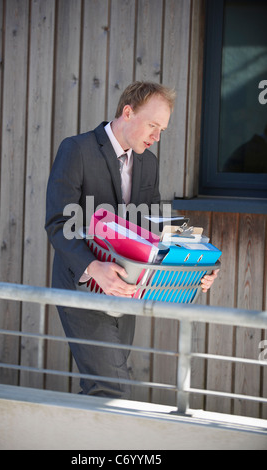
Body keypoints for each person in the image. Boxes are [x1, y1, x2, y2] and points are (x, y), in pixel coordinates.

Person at [45, 81, 218, 399]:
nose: (157, 136)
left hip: (128, 290)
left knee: (104, 390)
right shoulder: (77, 150)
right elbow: (58, 223)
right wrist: (94, 268)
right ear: (128, 112)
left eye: (162, 129)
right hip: (81, 286)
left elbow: (156, 227)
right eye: (153, 125)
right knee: (112, 389)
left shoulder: (148, 163)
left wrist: (200, 259)